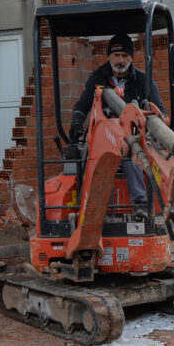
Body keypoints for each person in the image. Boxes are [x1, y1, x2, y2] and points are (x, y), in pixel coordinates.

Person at [68, 33, 167, 217]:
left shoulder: (143, 81)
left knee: (132, 149)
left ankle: (140, 203)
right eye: (116, 55)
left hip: (132, 138)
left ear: (131, 57)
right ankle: (90, 205)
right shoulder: (97, 78)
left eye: (125, 55)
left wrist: (158, 125)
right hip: (100, 138)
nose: (121, 60)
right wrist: (76, 122)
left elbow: (160, 111)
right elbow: (82, 106)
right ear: (109, 56)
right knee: (86, 155)